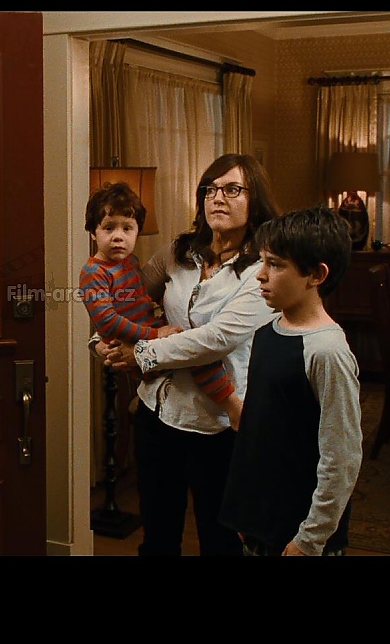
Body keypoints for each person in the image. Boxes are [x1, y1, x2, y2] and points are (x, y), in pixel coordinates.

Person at [99, 153, 279, 556]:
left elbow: (214, 339)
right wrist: (100, 342)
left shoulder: (263, 270)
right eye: (210, 189)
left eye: (232, 189)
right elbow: (126, 298)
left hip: (218, 425)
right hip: (157, 414)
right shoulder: (178, 251)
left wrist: (140, 353)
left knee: (221, 542)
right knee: (158, 539)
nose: (218, 198)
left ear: (255, 199)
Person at [218, 206, 362, 556]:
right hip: (260, 524)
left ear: (316, 274)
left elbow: (341, 457)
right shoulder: (267, 332)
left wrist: (309, 539)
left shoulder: (326, 351)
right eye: (262, 261)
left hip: (299, 537)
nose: (260, 275)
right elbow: (257, 435)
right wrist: (245, 512)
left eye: (276, 265)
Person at [80, 181, 245, 424]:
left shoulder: (130, 263)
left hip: (148, 338)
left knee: (195, 351)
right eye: (108, 228)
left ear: (137, 232)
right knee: (195, 354)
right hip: (136, 344)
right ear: (93, 232)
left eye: (127, 228)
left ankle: (228, 405)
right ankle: (233, 407)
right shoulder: (94, 272)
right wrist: (155, 334)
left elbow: (141, 298)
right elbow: (107, 321)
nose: (118, 237)